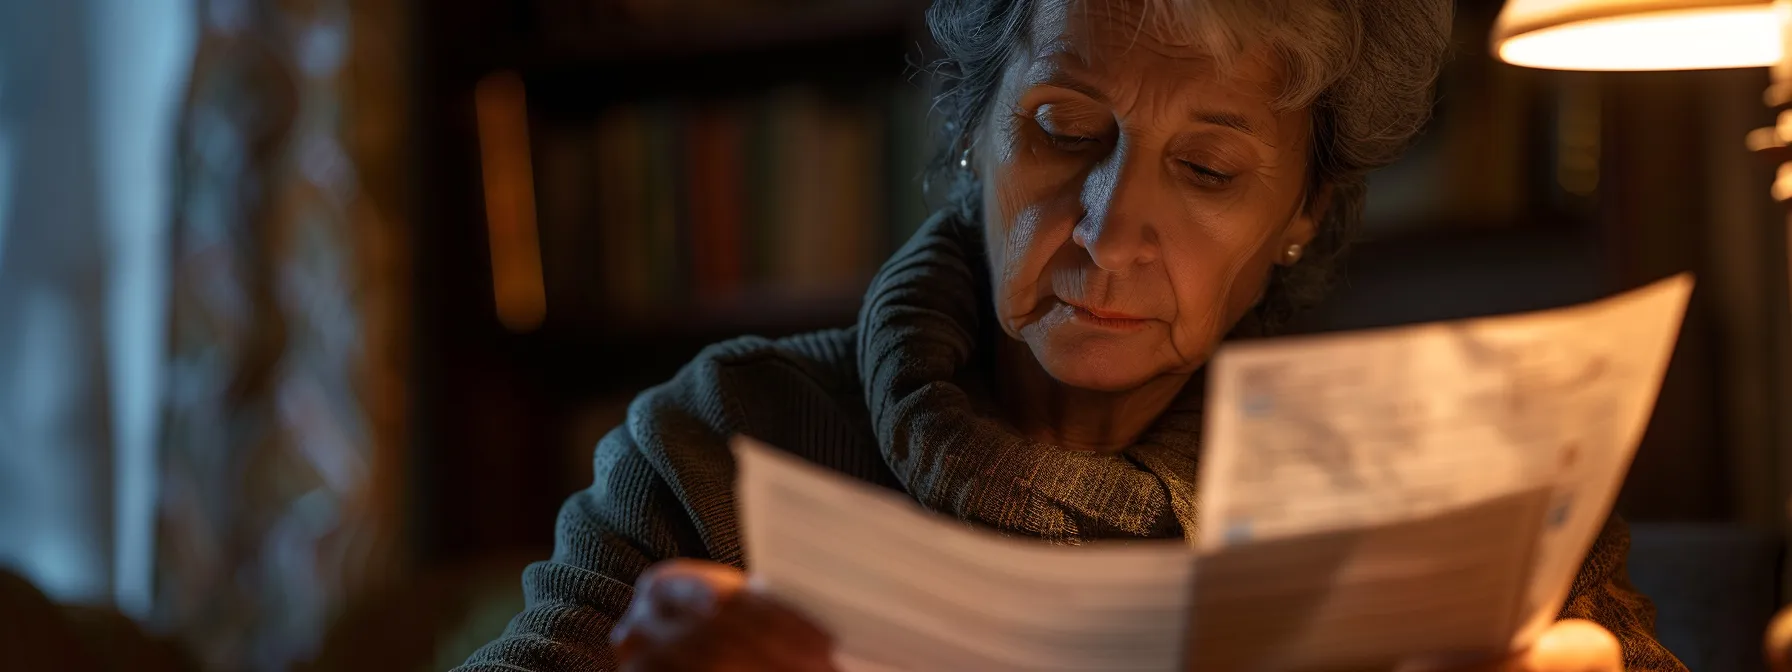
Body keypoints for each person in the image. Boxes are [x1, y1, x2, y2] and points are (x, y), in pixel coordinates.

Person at [460, 0, 1685, 669]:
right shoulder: (734, 438)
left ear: (1302, 215)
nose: (1111, 229)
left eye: (1206, 168)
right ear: (969, 134)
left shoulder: (1438, 485)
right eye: (1060, 126)